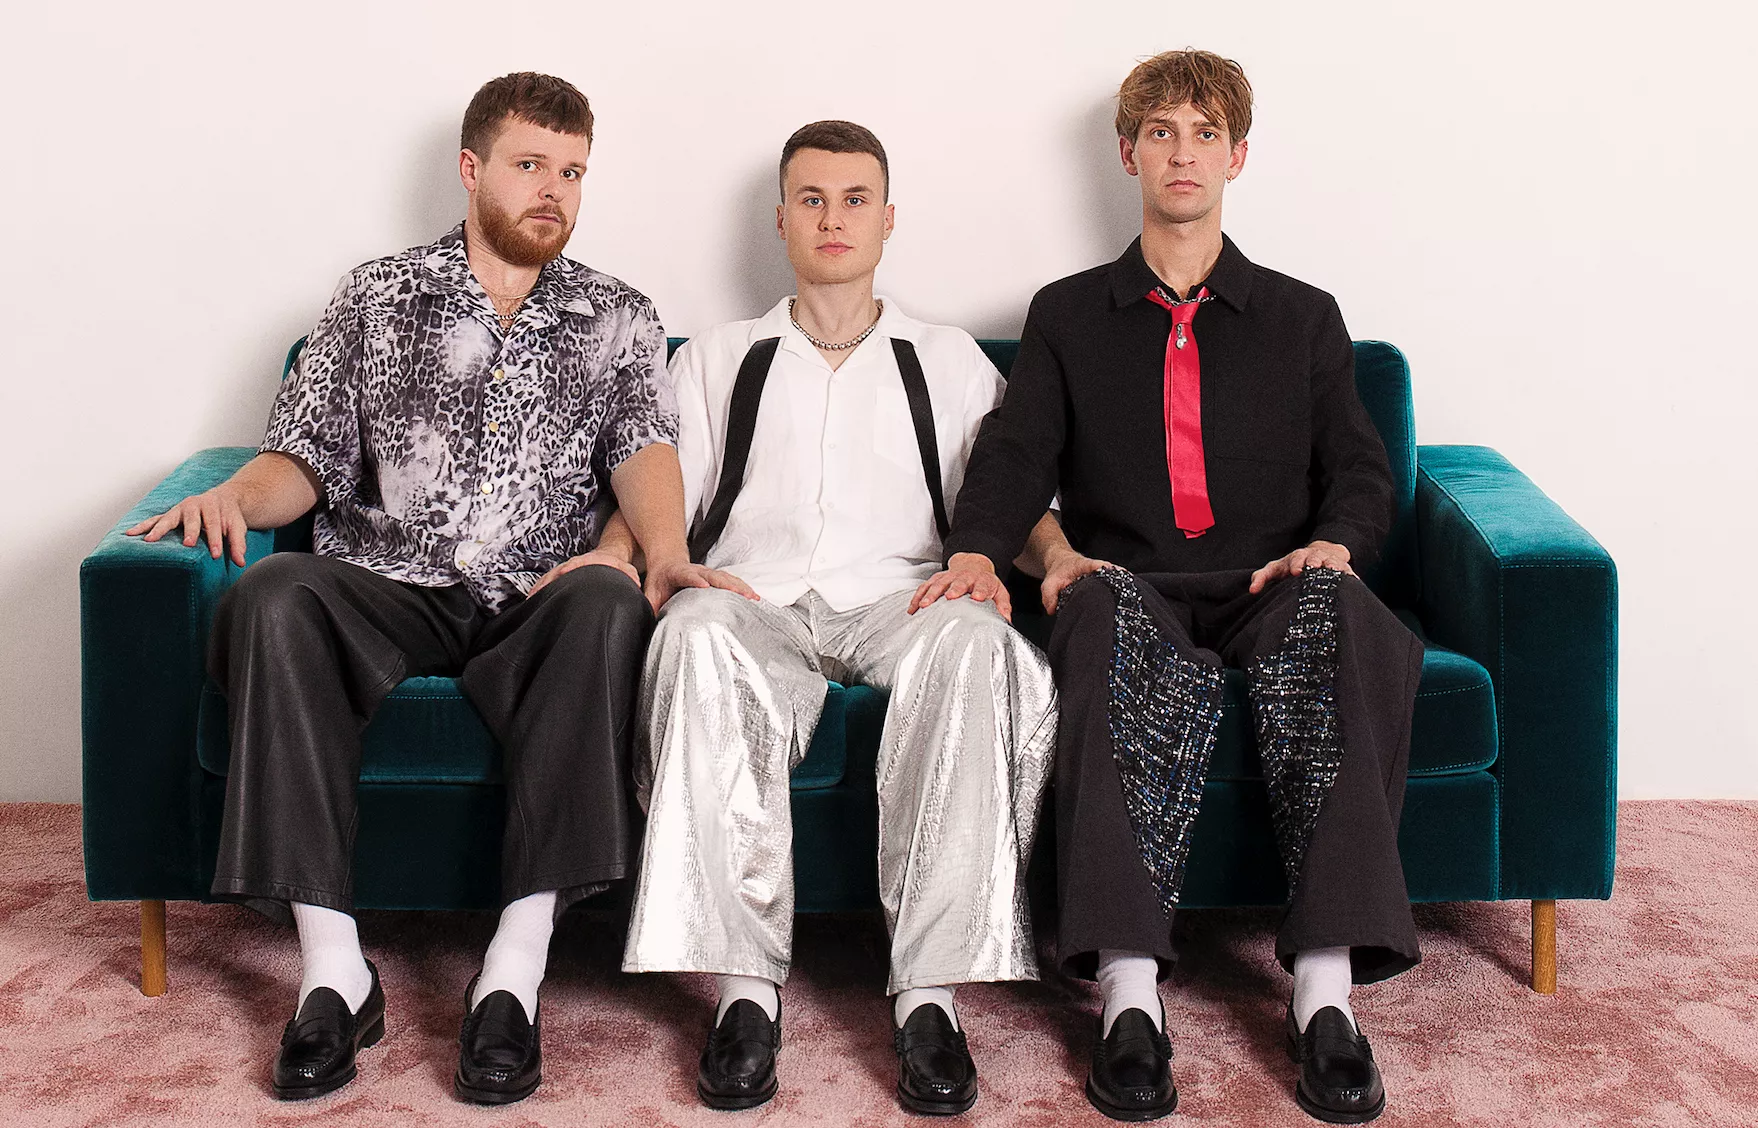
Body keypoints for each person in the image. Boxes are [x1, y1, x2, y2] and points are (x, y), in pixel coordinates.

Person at [127, 72, 715, 1105]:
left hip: (539, 594)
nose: (554, 191)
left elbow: (645, 448)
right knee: (272, 596)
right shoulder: (376, 295)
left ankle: (512, 972)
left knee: (608, 602)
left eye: (573, 172)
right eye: (531, 165)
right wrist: (233, 497)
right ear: (472, 169)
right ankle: (333, 972)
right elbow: (300, 459)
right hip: (389, 582)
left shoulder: (618, 314)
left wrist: (655, 551)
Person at [915, 50, 1424, 1124]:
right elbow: (1017, 454)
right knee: (1094, 615)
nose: (1182, 153)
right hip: (1131, 582)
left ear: (1236, 157)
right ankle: (1129, 992)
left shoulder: (1304, 316)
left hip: (1272, 580)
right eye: (1161, 133)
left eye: (1204, 133)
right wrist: (982, 550)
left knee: (1344, 617)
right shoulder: (1067, 315)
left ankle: (1324, 992)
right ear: (1128, 154)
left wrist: (1333, 545)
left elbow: (1362, 470)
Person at [612, 121, 1058, 1116]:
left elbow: (1010, 493)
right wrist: (636, 557)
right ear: (781, 219)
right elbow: (659, 494)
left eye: (855, 199)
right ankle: (744, 994)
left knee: (980, 646)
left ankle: (930, 997)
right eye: (811, 199)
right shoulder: (716, 358)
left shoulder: (948, 359)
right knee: (690, 634)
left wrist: (1054, 559)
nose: (833, 218)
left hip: (905, 598)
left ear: (888, 219)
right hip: (752, 599)